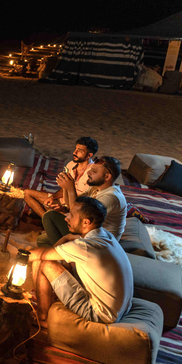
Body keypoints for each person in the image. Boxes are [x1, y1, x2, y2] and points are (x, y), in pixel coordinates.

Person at [28, 196, 133, 326]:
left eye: (71, 214)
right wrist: (65, 239)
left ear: (86, 222)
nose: (66, 217)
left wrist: (16, 255)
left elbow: (36, 255)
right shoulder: (105, 235)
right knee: (62, 260)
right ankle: (49, 298)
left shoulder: (85, 247)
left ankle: (42, 317)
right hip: (121, 309)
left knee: (45, 264)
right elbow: (69, 238)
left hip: (99, 314)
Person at [39, 156, 126, 246]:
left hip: (100, 242)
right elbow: (72, 206)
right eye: (91, 169)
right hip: (88, 230)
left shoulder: (110, 197)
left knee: (49, 216)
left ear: (107, 177)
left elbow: (78, 215)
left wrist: (71, 188)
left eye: (94, 171)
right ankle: (62, 251)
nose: (88, 172)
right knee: (42, 240)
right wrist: (66, 187)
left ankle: (64, 254)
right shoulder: (96, 187)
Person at [24, 137, 98, 218]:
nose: (74, 152)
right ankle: (46, 220)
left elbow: (85, 204)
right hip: (62, 201)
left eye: (80, 151)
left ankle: (51, 220)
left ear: (89, 155)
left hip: (74, 210)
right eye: (76, 149)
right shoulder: (71, 164)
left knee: (45, 208)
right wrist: (53, 197)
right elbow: (64, 188)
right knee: (27, 193)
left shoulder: (93, 174)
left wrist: (64, 208)